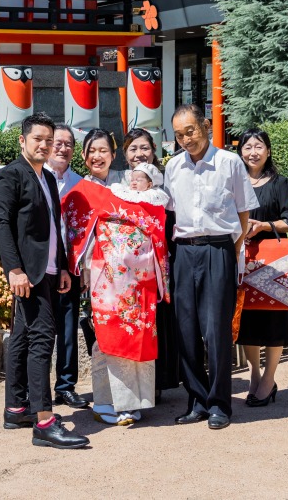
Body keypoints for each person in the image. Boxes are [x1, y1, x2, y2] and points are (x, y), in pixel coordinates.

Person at [0, 112, 89, 449]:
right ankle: (44, 421)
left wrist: (62, 267)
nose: (45, 145)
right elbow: (0, 223)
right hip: (27, 274)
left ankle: (16, 408)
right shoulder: (10, 175)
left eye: (49, 140)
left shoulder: (46, 177)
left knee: (22, 337)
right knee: (43, 339)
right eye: (38, 139)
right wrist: (14, 269)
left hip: (47, 271)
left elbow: (53, 227)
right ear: (22, 141)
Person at [163, 103, 258, 430]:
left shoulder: (230, 162)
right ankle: (197, 400)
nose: (186, 139)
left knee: (216, 330)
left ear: (205, 126)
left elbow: (243, 212)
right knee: (185, 329)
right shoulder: (173, 167)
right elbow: (170, 212)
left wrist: (233, 249)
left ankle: (219, 404)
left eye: (190, 131)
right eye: (179, 135)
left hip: (219, 249)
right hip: (183, 252)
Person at [64, 161, 169, 426]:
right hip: (109, 282)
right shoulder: (109, 193)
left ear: (151, 183)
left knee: (138, 339)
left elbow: (158, 241)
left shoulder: (156, 204)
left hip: (141, 285)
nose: (134, 182)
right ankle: (104, 402)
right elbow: (76, 208)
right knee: (108, 338)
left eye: (141, 178)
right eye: (132, 177)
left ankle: (132, 403)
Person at [236, 127, 288, 407]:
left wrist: (263, 225)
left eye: (259, 146)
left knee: (274, 320)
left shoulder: (280, 183)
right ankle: (254, 373)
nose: (253, 152)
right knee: (247, 321)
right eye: (248, 147)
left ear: (268, 151)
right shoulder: (234, 182)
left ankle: (269, 378)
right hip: (243, 260)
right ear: (240, 152)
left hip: (274, 263)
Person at [122, 126, 181, 399]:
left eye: (144, 147)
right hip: (128, 270)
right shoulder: (120, 183)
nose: (139, 153)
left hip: (161, 262)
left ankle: (157, 382)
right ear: (125, 154)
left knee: (160, 321)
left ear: (154, 150)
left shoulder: (167, 181)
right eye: (133, 148)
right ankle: (132, 385)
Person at [46, 124, 87, 409]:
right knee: (41, 330)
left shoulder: (79, 183)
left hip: (70, 266)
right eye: (58, 143)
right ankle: (36, 389)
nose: (63, 149)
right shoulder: (37, 177)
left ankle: (65, 386)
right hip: (42, 265)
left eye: (68, 144)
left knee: (69, 328)